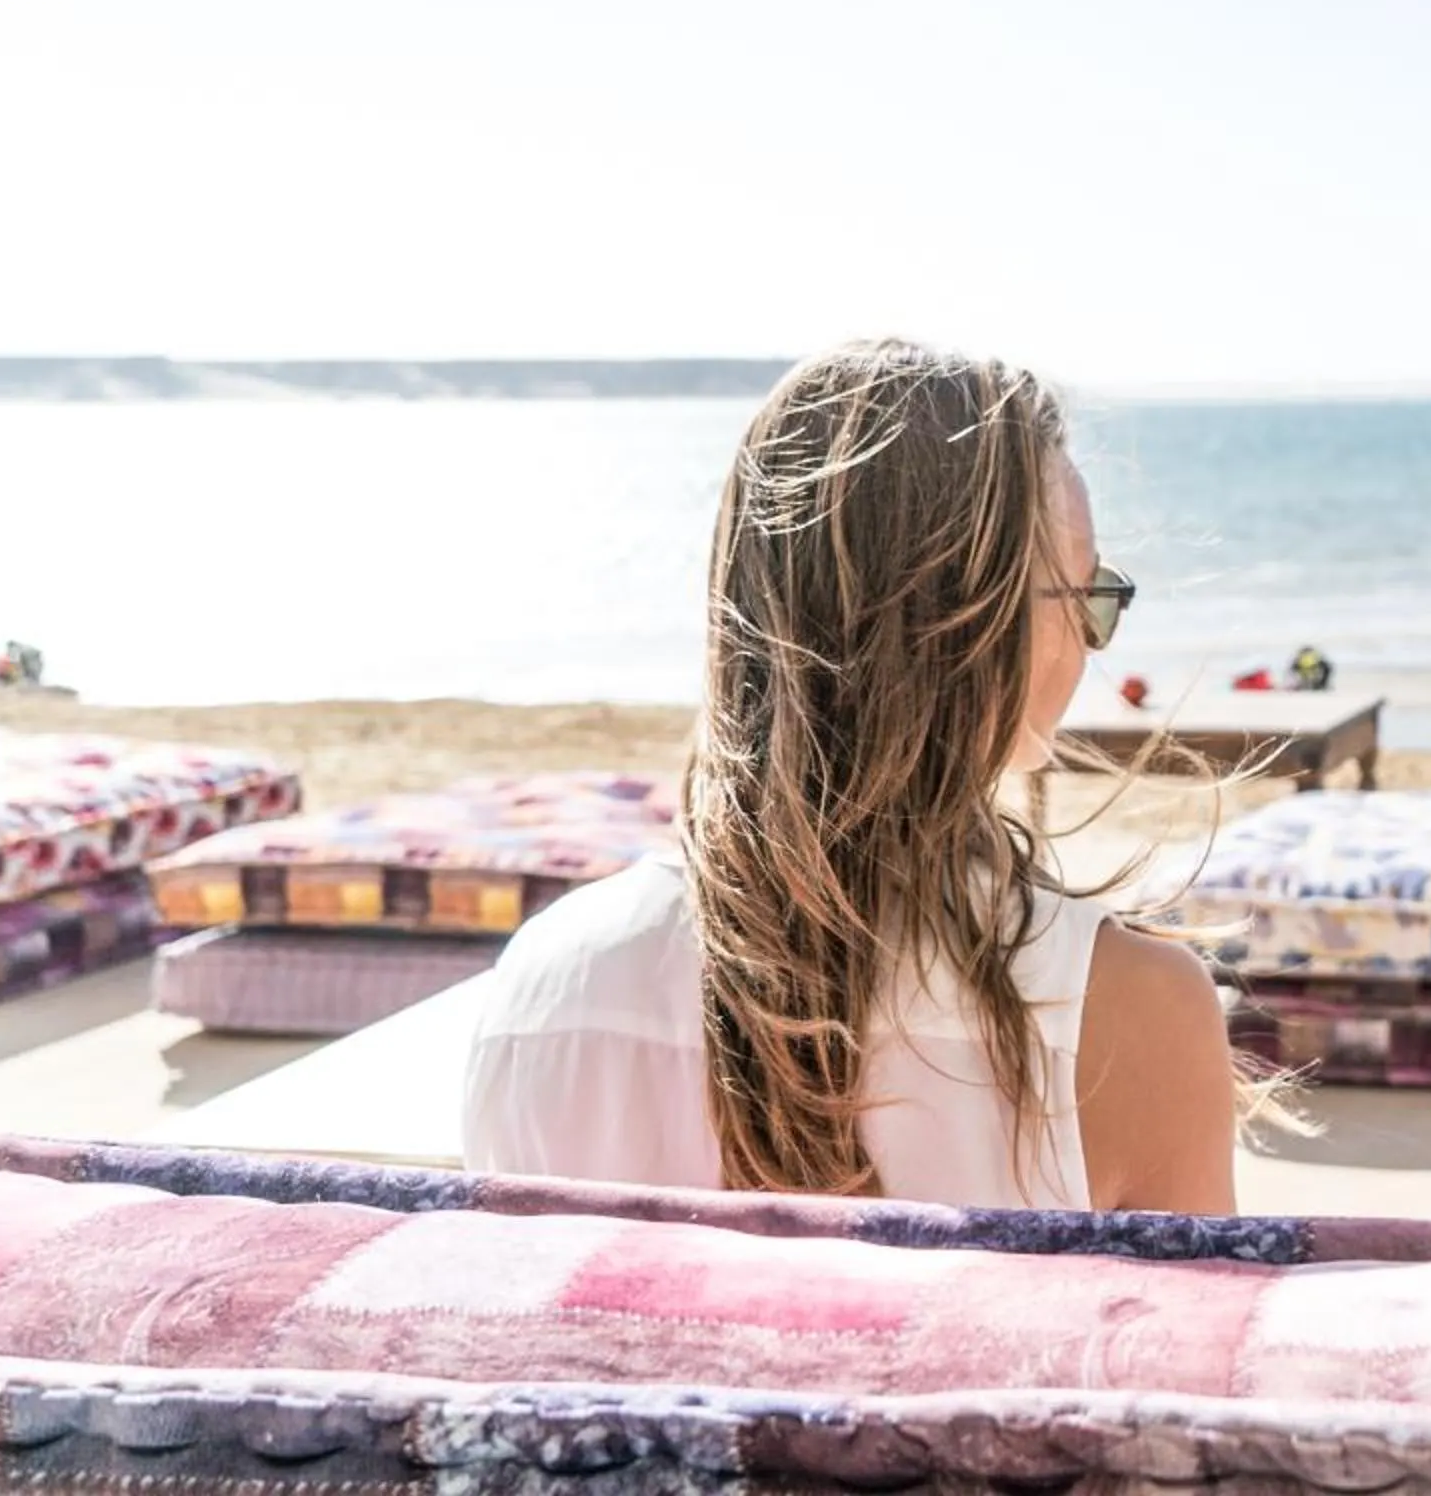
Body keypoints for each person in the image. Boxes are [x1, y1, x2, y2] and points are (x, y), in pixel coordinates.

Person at [463, 340, 1239, 1213]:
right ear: (973, 628)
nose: (1097, 641)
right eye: (1090, 598)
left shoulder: (547, 982)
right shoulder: (1128, 1012)